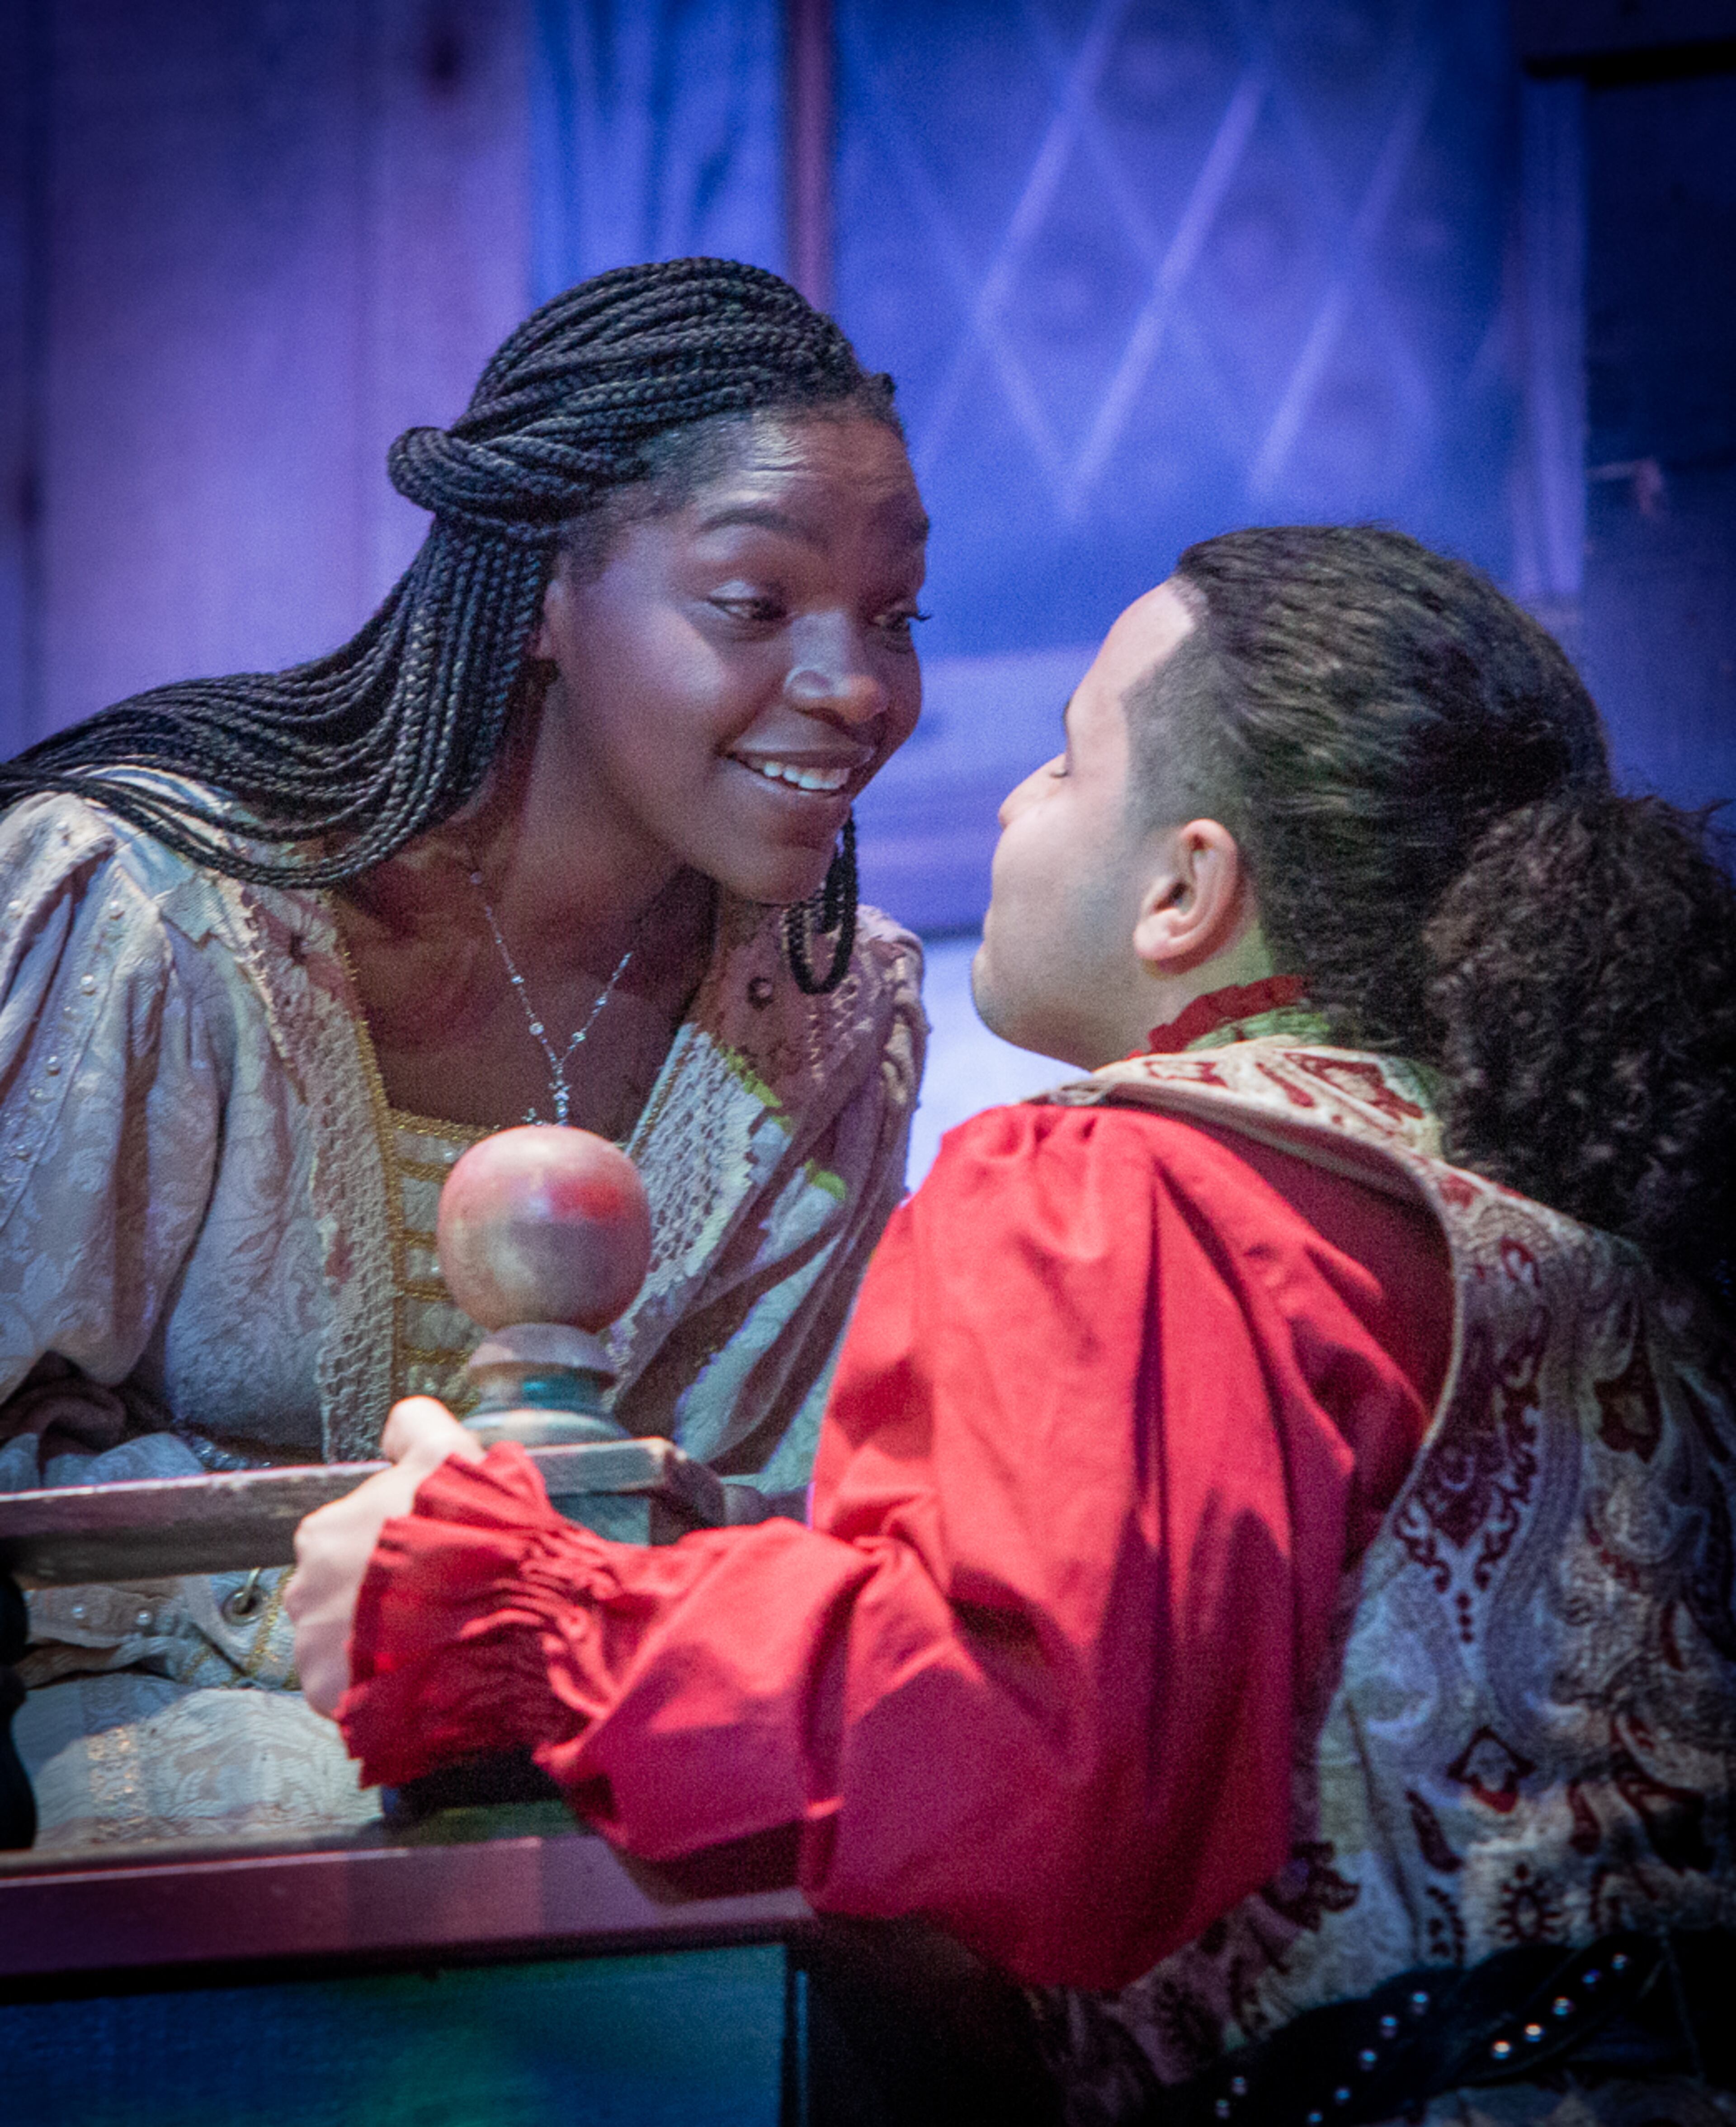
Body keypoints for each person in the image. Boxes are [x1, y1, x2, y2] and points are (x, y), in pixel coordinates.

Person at [289, 527, 1736, 2125]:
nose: (1008, 803)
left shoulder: (1133, 1191)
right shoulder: (1596, 1244)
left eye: (1063, 763)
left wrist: (505, 1612)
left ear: (1185, 889)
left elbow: (1027, 1744)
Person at [0, 258, 930, 1848]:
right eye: (757, 606)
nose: (853, 689)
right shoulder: (154, 917)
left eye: (899, 618)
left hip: (591, 1822)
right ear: (549, 592)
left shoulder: (837, 1020)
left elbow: (752, 1534)